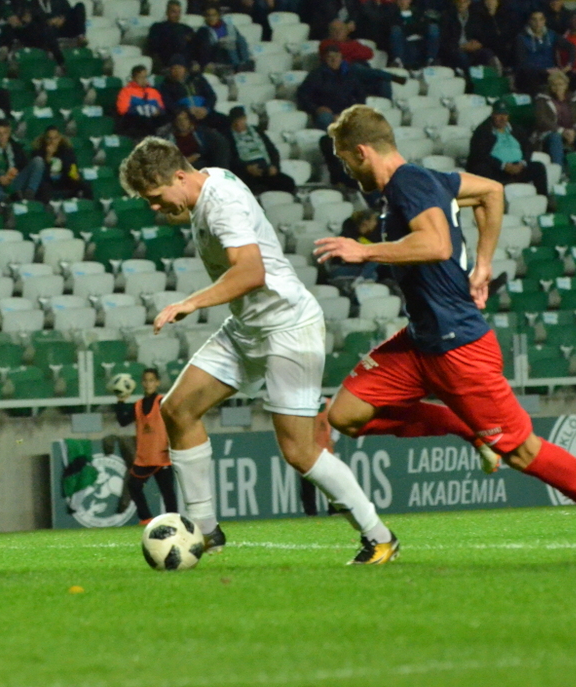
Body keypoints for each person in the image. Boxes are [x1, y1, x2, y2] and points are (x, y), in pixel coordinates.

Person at [312, 104, 576, 560]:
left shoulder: (408, 185)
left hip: (458, 346)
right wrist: (484, 263)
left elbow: (436, 244)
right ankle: (469, 431)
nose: (346, 170)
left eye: (344, 159)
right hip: (420, 342)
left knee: (520, 451)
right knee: (346, 414)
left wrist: (365, 250)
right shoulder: (429, 179)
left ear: (363, 152)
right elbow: (491, 191)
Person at [117, 136, 396, 564]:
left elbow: (250, 271)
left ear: (178, 176)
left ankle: (378, 536)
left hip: (288, 327)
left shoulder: (221, 202)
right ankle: (204, 530)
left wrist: (191, 302)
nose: (154, 207)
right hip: (248, 327)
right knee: (176, 411)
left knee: (300, 450)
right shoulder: (206, 184)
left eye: (156, 197)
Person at [113, 367, 178, 524]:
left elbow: (175, 421)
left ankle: (174, 521)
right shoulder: (138, 405)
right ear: (141, 383)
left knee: (168, 493)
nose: (148, 384)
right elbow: (123, 421)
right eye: (145, 381)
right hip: (145, 457)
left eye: (151, 381)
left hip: (161, 456)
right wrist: (121, 400)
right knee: (133, 486)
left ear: (157, 383)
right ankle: (146, 518)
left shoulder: (162, 402)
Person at [468, 100, 550, 196]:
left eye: (505, 114)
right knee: (481, 169)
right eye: (499, 114)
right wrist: (503, 166)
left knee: (538, 167)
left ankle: (545, 200)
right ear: (493, 114)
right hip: (497, 169)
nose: (502, 118)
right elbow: (480, 154)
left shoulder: (515, 128)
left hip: (518, 167)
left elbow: (528, 147)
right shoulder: (482, 130)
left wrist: (522, 163)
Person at [534, 70, 576, 168]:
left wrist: (574, 130)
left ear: (566, 85)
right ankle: (558, 172)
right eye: (554, 85)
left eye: (560, 84)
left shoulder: (573, 98)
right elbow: (542, 120)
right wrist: (562, 131)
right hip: (551, 133)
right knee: (555, 138)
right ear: (550, 86)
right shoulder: (542, 99)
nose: (557, 87)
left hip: (572, 132)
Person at [224, 106, 298, 196]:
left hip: (265, 167)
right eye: (234, 121)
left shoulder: (257, 131)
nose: (237, 124)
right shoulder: (226, 136)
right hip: (245, 170)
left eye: (240, 120)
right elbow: (229, 158)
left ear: (245, 119)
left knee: (287, 182)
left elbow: (272, 150)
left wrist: (274, 166)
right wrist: (246, 168)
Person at [297, 45, 367, 131]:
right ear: (325, 59)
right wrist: (316, 108)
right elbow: (303, 95)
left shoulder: (351, 74)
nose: (334, 60)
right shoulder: (316, 75)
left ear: (341, 58)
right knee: (325, 119)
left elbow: (360, 96)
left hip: (346, 111)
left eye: (337, 56)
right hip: (325, 112)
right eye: (330, 57)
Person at [158, 55, 228, 133]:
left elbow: (211, 96)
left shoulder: (197, 79)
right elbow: (168, 103)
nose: (177, 71)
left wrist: (206, 109)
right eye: (174, 68)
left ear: (185, 68)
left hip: (203, 112)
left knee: (223, 120)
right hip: (184, 116)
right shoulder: (166, 85)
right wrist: (187, 110)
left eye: (179, 68)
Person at [515, 10, 576, 96]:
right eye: (534, 20)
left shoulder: (551, 34)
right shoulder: (521, 38)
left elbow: (572, 47)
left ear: (544, 21)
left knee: (573, 76)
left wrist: (569, 65)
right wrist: (544, 71)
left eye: (541, 19)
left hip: (552, 71)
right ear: (529, 21)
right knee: (529, 76)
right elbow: (523, 63)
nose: (538, 23)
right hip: (534, 73)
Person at [32, 126, 89, 200]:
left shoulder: (66, 151)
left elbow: (71, 168)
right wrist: (48, 156)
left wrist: (75, 175)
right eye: (49, 138)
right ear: (45, 139)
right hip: (46, 183)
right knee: (43, 186)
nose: (52, 142)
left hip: (63, 181)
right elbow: (39, 174)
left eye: (55, 138)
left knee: (85, 185)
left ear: (59, 139)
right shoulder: (38, 152)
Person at [193, 5, 252, 75]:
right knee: (226, 43)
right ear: (205, 17)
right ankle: (237, 66)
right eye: (208, 15)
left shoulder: (229, 27)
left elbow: (240, 42)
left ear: (218, 16)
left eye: (214, 15)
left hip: (231, 51)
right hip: (217, 55)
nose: (211, 18)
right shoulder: (203, 31)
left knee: (240, 39)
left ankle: (244, 62)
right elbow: (205, 49)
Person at [386, 0, 441, 70]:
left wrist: (407, 27)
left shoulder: (417, 11)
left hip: (420, 42)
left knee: (433, 27)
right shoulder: (391, 11)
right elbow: (392, 26)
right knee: (396, 30)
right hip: (403, 43)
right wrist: (412, 28)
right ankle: (398, 61)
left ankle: (431, 60)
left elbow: (423, 26)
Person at [116, 65, 167, 139]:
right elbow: (122, 110)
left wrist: (158, 111)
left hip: (152, 120)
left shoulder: (153, 91)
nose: (144, 80)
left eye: (145, 77)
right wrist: (139, 110)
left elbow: (162, 108)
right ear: (134, 78)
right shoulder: (126, 91)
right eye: (140, 77)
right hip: (135, 121)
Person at [147, 0, 195, 72]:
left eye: (179, 12)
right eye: (173, 12)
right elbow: (153, 46)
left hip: (185, 58)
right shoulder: (157, 27)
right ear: (167, 12)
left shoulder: (187, 28)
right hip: (166, 57)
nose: (177, 15)